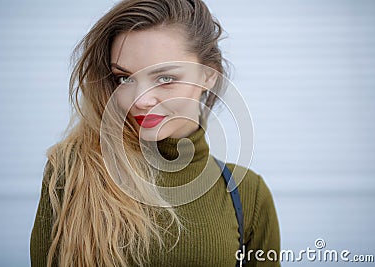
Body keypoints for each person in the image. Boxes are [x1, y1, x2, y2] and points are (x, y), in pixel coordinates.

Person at [30, 0, 280, 266]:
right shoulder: (72, 172)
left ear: (209, 76)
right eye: (124, 78)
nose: (140, 100)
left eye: (165, 78)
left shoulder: (246, 194)